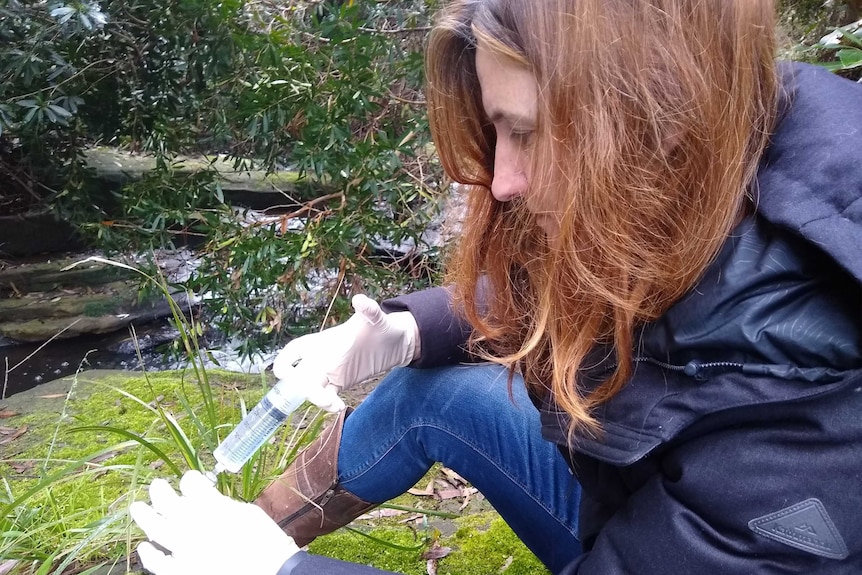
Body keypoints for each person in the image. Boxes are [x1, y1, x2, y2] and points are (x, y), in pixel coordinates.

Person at [130, 0, 862, 573]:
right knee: (423, 394)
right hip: (634, 501)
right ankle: (249, 526)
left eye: (527, 132)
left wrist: (283, 572)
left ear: (655, 109)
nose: (503, 181)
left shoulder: (812, 403)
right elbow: (564, 281)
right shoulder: (731, 120)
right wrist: (404, 329)